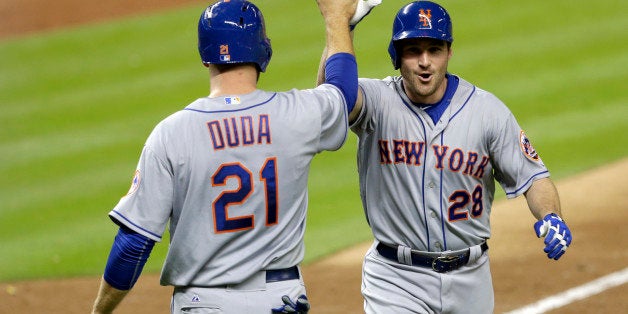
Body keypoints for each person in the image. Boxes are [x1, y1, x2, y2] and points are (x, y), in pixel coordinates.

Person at [91, 0, 360, 313]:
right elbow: (342, 93)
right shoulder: (296, 115)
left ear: (205, 57)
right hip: (280, 298)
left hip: (205, 302)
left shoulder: (172, 132)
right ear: (264, 52)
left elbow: (133, 244)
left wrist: (99, 311)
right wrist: (339, 20)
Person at [318, 1, 573, 313]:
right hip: (396, 279)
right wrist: (342, 24)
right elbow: (330, 104)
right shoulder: (376, 102)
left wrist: (552, 216)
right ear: (397, 56)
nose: (425, 62)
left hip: (471, 279)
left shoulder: (487, 112)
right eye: (413, 50)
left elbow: (533, 178)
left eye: (434, 49)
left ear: (448, 52)